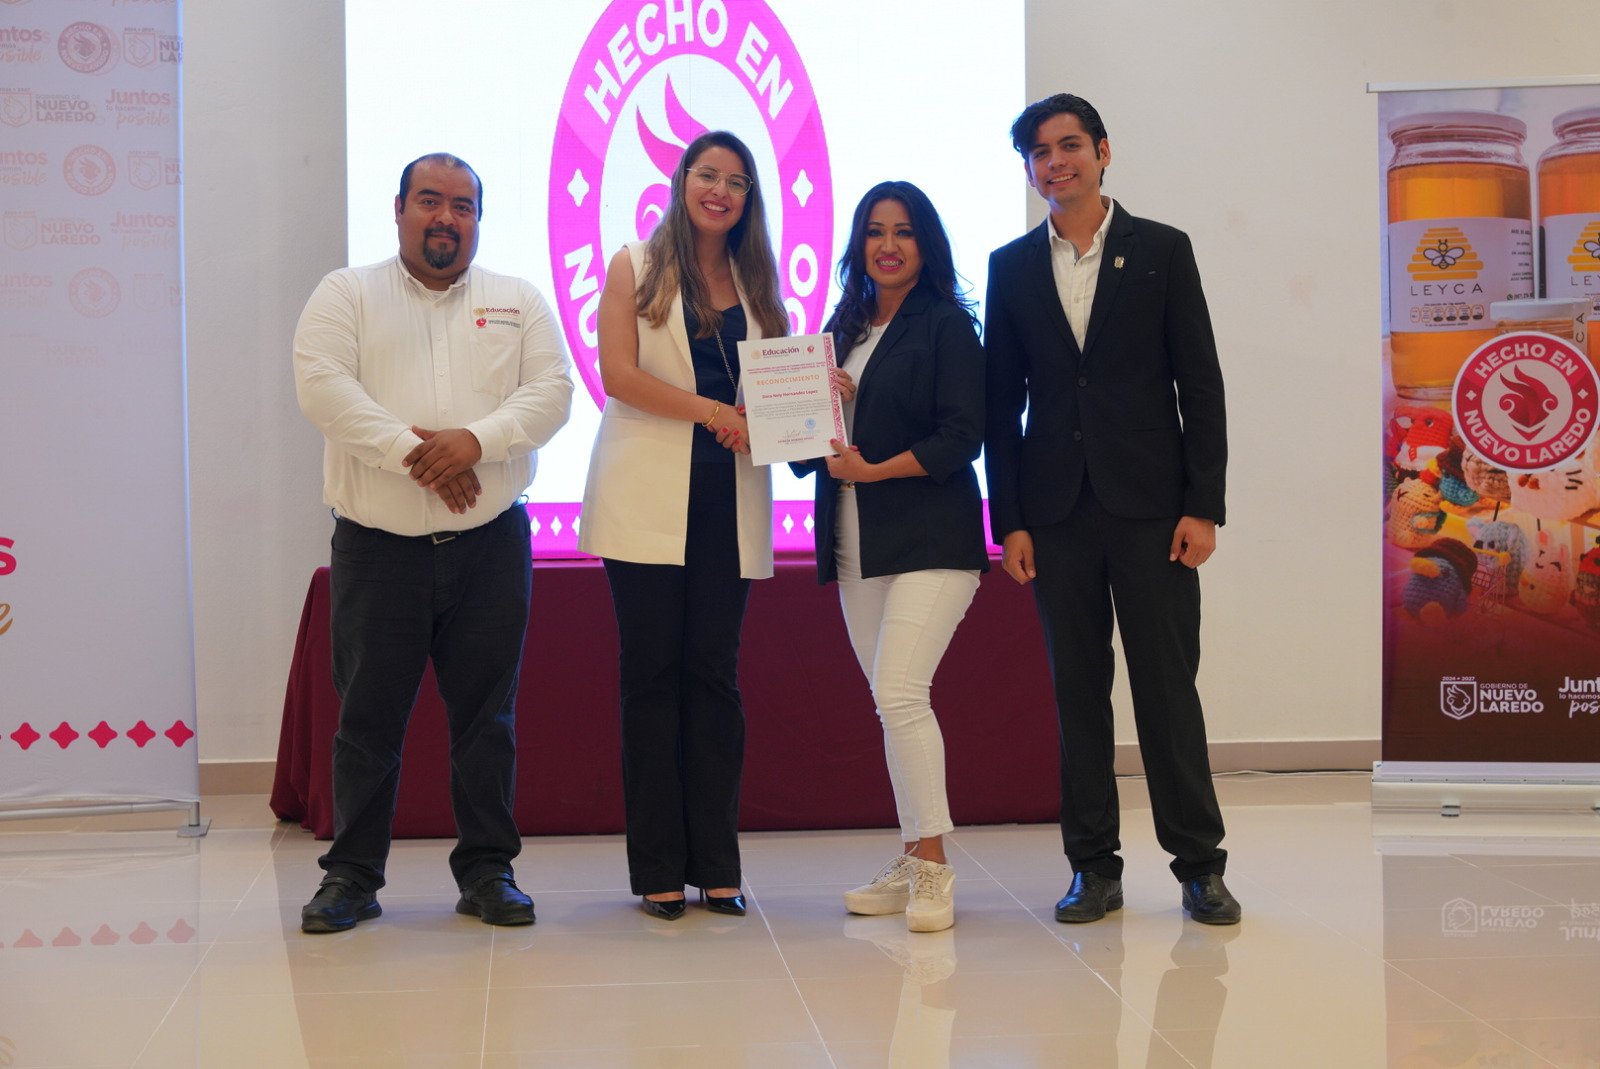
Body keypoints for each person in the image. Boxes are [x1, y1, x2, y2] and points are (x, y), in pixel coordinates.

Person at [292, 153, 573, 933]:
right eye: (429, 201)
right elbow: (323, 388)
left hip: (489, 548)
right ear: (399, 209)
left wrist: (475, 442)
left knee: (488, 722)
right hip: (378, 549)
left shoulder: (518, 299)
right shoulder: (347, 293)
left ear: (478, 218)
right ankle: (351, 877)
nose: (445, 217)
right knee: (367, 721)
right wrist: (417, 453)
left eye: (462, 205)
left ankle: (488, 870)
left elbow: (553, 393)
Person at [983, 95, 1240, 925]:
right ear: (1029, 169)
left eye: (1069, 146)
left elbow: (1200, 383)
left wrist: (1204, 505)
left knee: (1167, 689)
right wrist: (1010, 520)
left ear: (1102, 151)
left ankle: (1200, 865)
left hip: (1152, 511)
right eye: (1040, 152)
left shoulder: (1162, 249)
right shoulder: (1011, 267)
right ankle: (1092, 867)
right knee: (1078, 693)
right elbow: (1000, 406)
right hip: (1056, 514)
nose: (1055, 162)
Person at [579, 131, 789, 920]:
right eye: (708, 175)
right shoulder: (633, 263)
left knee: (714, 677)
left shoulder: (760, 281)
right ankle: (660, 868)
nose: (720, 191)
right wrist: (712, 413)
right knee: (651, 678)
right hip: (644, 499)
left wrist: (814, 397)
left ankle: (718, 866)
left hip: (728, 505)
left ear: (748, 198)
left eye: (736, 181)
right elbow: (619, 375)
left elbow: (774, 396)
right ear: (681, 180)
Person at [790, 182, 986, 933]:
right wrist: (821, 404)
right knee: (889, 702)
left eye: (904, 232)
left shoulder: (948, 325)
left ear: (926, 244)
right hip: (855, 542)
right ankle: (911, 858)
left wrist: (873, 470)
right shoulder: (839, 330)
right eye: (875, 231)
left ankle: (933, 866)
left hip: (932, 539)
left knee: (902, 692)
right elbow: (807, 449)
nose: (888, 245)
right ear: (858, 244)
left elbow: (961, 436)